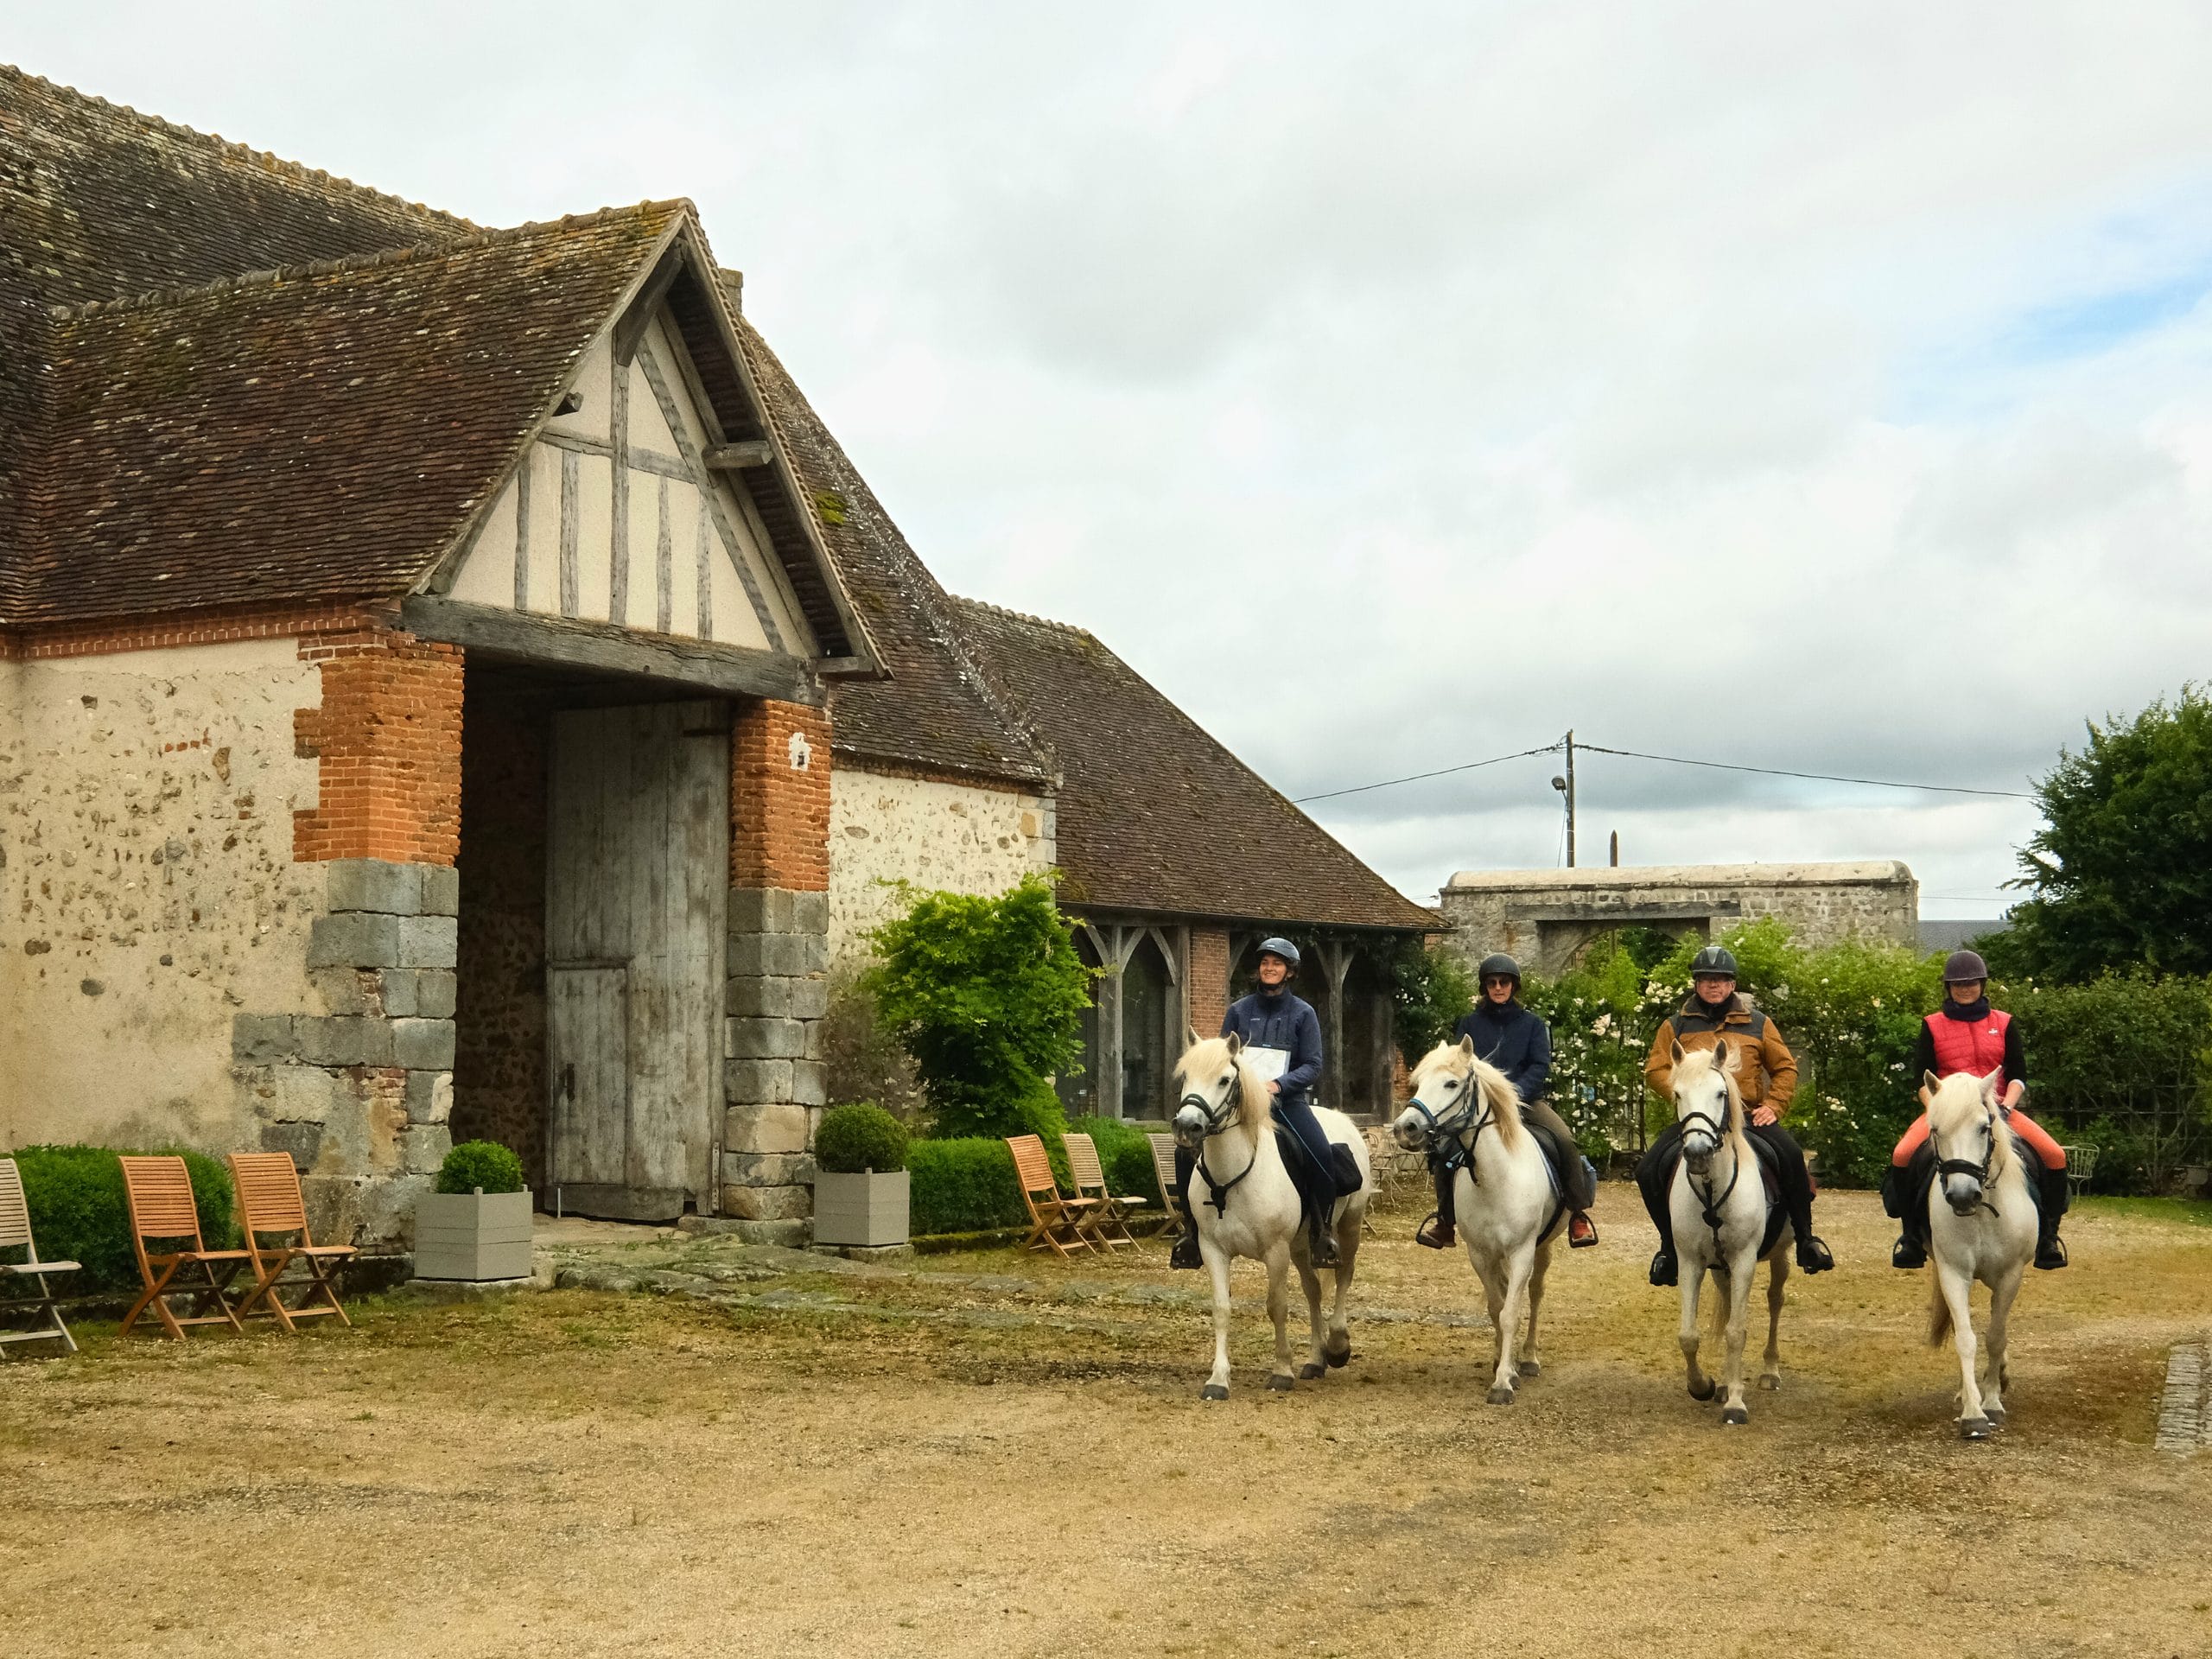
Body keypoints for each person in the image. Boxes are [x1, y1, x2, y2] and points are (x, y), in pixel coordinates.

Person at [1635, 945, 1834, 1285]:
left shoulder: (1759, 1024)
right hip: (1698, 1118)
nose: (1714, 986)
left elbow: (1785, 1067)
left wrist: (1773, 1105)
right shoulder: (1675, 1025)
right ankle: (1669, 1248)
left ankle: (1805, 1240)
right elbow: (1656, 1069)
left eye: (1722, 980)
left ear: (1732, 985)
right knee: (1648, 1168)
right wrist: (1689, 1100)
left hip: (1749, 1117)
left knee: (1791, 1157)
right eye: (1707, 980)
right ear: (1696, 984)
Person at [1885, 950, 2069, 1271]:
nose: (1965, 988)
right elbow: (1922, 1078)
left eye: (1971, 983)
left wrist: (2008, 1105)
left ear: (1982, 984)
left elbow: (2018, 1075)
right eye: (1957, 984)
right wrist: (1937, 1111)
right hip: (1948, 1110)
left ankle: (2048, 1239)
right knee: (1902, 1155)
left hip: (1996, 1108)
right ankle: (1911, 1237)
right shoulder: (1932, 1025)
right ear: (1948, 988)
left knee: (2055, 1156)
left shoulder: (2004, 1022)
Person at [1172, 938, 1344, 1270]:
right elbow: (1221, 1058)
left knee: (1320, 1153)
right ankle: (1190, 1232)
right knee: (1184, 1150)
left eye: (1277, 963)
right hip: (1237, 1106)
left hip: (1285, 1102)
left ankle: (1321, 1233)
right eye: (1265, 962)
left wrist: (1278, 1085)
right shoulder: (1238, 1010)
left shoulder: (1304, 1014)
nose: (1270, 968)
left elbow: (1312, 1064)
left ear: (1289, 971)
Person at [1414, 953, 1599, 1251]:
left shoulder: (1533, 1025)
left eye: (1504, 982)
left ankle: (1578, 1214)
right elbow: (1457, 1065)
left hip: (1525, 1103)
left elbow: (1539, 1066)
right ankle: (1445, 1222)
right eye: (1492, 982)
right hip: (1476, 1107)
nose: (1498, 987)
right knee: (1445, 1152)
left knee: (1564, 1141)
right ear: (1485, 987)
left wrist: (1512, 1097)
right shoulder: (1469, 1023)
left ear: (1514, 986)